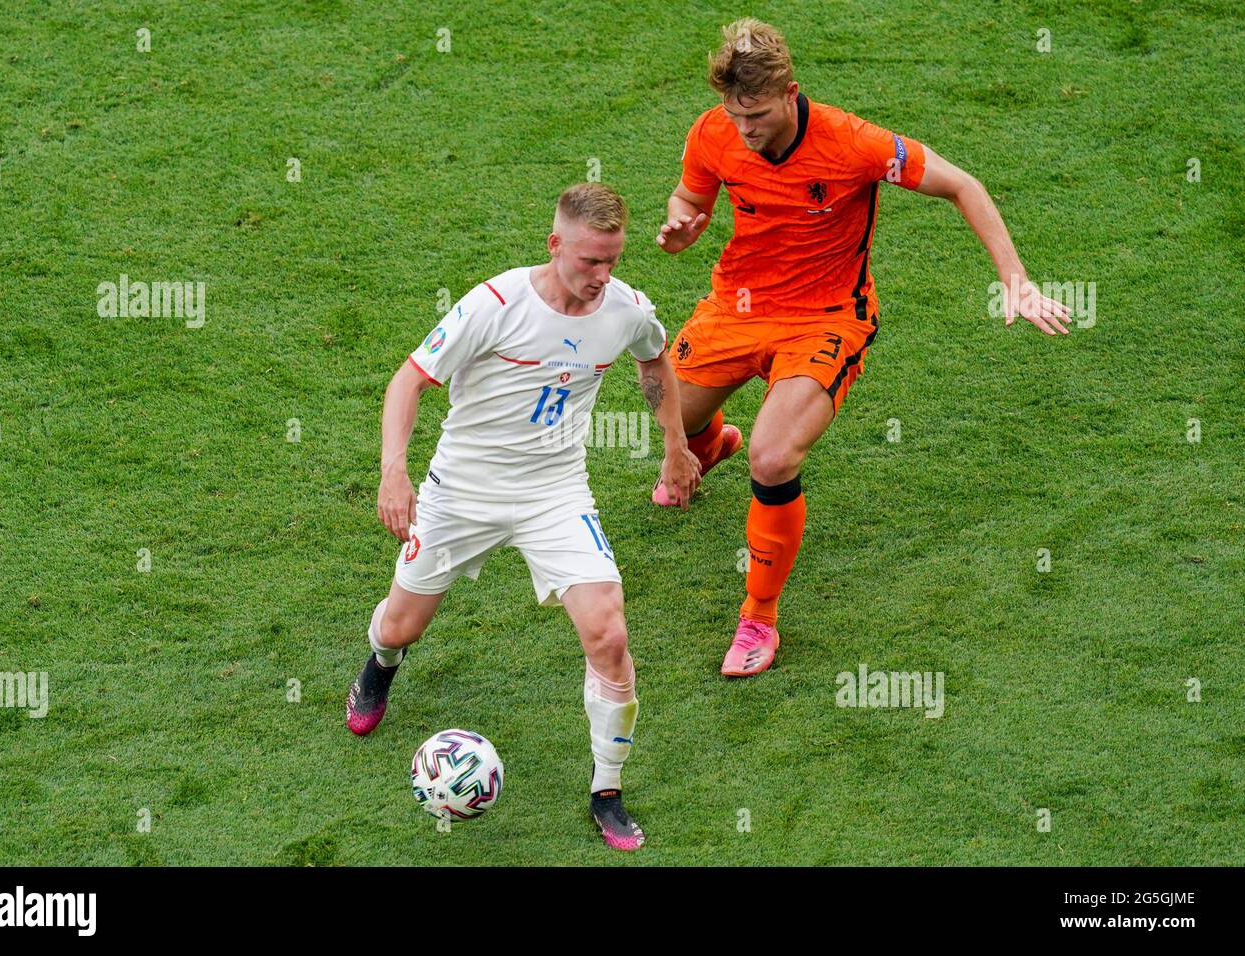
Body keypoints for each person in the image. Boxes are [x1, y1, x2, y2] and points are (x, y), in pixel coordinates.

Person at [654, 18, 1072, 677]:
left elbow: (964, 185)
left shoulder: (853, 144)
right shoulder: (714, 131)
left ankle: (758, 617)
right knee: (668, 409)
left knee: (772, 456)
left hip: (823, 319)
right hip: (736, 308)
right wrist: (683, 227)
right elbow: (691, 197)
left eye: (758, 115)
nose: (746, 131)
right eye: (736, 115)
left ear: (790, 93)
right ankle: (706, 448)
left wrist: (1015, 282)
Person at [345, 183, 701, 850]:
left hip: (555, 496)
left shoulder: (625, 309)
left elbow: (654, 358)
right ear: (555, 245)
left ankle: (607, 790)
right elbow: (409, 380)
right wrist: (395, 470)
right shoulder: (495, 305)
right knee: (401, 624)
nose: (601, 277)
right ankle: (380, 666)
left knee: (609, 633)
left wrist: (676, 448)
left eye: (612, 261)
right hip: (462, 494)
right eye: (590, 261)